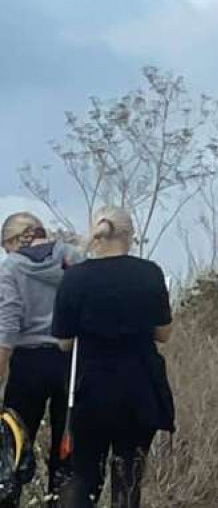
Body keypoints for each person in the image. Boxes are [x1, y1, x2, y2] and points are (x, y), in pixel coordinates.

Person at [52, 206, 174, 508]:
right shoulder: (149, 273)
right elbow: (163, 334)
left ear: (97, 234)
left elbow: (65, 342)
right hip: (139, 387)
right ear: (131, 235)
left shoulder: (75, 278)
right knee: (128, 476)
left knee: (83, 476)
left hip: (90, 389)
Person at [0, 212, 81, 507]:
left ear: (11, 241)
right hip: (70, 361)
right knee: (67, 449)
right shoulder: (73, 258)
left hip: (27, 364)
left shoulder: (11, 268)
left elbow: (7, 326)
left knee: (13, 444)